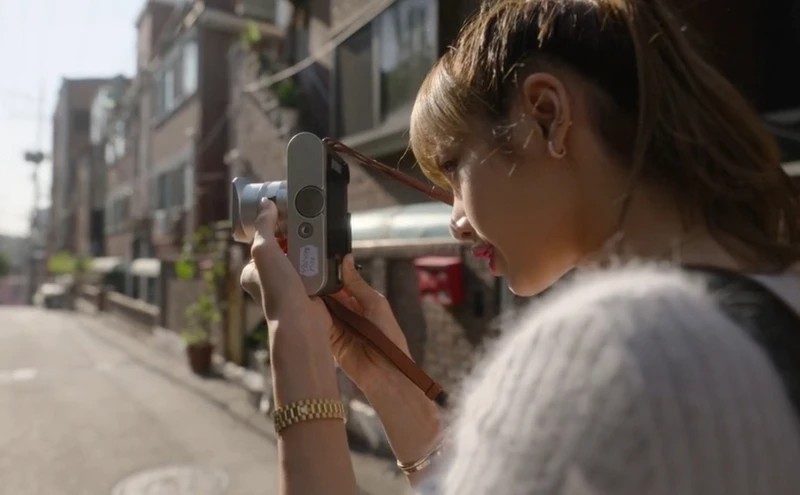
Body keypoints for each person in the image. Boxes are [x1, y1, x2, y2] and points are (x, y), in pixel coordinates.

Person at [241, 0, 800, 493]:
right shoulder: (773, 294)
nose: (456, 222)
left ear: (547, 116)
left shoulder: (619, 345)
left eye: (456, 167)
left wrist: (298, 352)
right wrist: (391, 383)